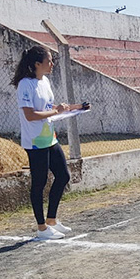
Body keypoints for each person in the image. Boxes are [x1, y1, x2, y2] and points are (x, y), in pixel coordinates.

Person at [12, 46, 87, 240]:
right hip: (35, 142)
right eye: (49, 61)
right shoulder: (24, 85)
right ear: (37, 64)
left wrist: (76, 108)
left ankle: (52, 220)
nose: (52, 64)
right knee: (40, 183)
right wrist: (56, 111)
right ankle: (42, 228)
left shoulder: (44, 81)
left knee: (63, 175)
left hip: (49, 137)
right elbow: (30, 115)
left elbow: (49, 107)